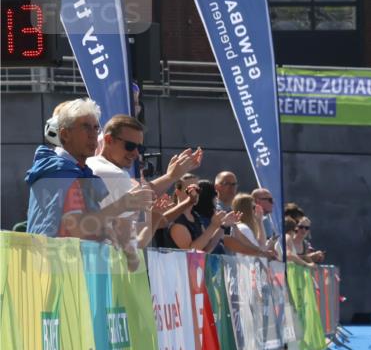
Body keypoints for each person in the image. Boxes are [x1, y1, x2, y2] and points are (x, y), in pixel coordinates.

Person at [26, 98, 152, 240]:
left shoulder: (68, 170)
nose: (93, 134)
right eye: (85, 127)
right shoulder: (61, 172)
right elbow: (78, 230)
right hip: (55, 260)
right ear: (65, 135)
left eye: (95, 127)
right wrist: (123, 205)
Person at [87, 115, 203, 249]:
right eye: (130, 146)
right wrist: (153, 217)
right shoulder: (116, 175)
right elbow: (136, 241)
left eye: (140, 148)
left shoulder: (91, 165)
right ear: (108, 140)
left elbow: (144, 193)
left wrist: (171, 176)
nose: (136, 154)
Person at [165, 178, 235, 253]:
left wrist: (222, 226)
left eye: (198, 190)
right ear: (178, 192)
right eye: (190, 190)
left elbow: (206, 249)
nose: (195, 193)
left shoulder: (195, 216)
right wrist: (213, 226)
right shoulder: (177, 220)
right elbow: (191, 252)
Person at [230, 193, 277, 259]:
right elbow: (260, 249)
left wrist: (259, 221)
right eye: (253, 207)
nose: (256, 210)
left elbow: (260, 247)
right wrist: (268, 246)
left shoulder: (241, 227)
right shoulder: (243, 228)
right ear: (247, 209)